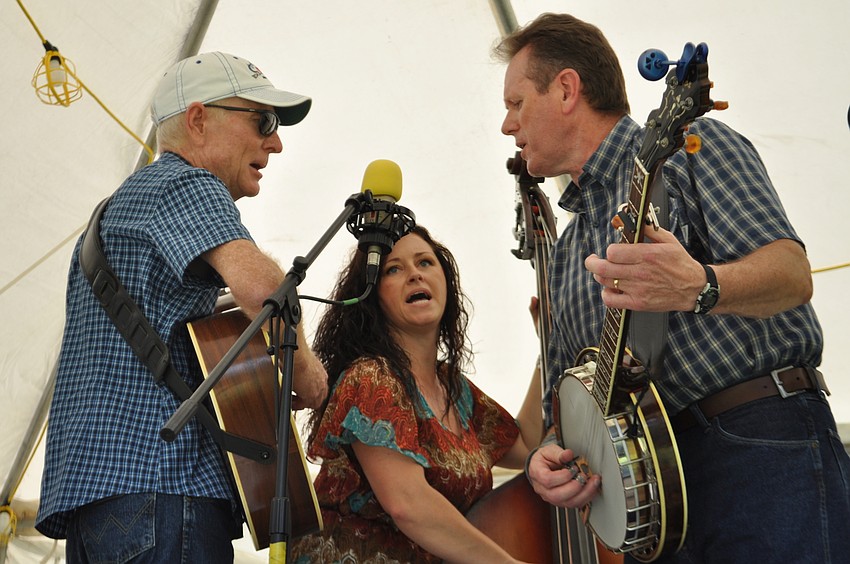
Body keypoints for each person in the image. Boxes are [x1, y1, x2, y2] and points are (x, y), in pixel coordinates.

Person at [493, 12, 850, 563]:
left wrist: (699, 286)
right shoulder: (564, 255)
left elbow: (790, 275)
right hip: (655, 500)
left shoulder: (690, 146)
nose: (507, 126)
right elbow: (562, 407)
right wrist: (547, 457)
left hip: (759, 441)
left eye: (516, 104)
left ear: (566, 89)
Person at [36, 51, 328, 562]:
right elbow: (265, 290)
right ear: (197, 120)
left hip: (98, 505)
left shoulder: (114, 212)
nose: (276, 142)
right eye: (262, 120)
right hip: (163, 493)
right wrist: (307, 374)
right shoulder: (184, 182)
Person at [289, 225, 544, 563]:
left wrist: (549, 348)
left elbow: (527, 446)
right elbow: (407, 504)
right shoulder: (371, 378)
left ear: (446, 283)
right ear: (373, 296)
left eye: (425, 263)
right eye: (394, 269)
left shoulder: (455, 389)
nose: (414, 275)